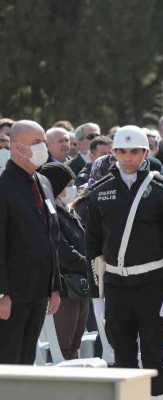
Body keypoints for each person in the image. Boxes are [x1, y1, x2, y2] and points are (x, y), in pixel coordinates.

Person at [86, 125, 163, 399]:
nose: (128, 157)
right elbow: (92, 248)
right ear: (114, 152)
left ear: (145, 152)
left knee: (154, 354)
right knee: (123, 356)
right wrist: (97, 296)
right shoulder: (99, 191)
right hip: (116, 285)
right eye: (121, 151)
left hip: (153, 284)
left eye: (134, 151)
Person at [0, 120, 62, 364]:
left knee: (27, 361)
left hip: (39, 291)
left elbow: (52, 236)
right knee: (7, 361)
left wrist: (54, 287)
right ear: (16, 147)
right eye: (36, 143)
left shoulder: (43, 182)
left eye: (44, 141)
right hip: (12, 294)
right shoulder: (3, 188)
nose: (43, 148)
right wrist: (1, 294)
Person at [40, 163, 91, 360]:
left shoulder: (66, 209)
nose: (73, 188)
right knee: (63, 346)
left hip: (79, 284)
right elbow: (60, 247)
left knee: (74, 345)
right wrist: (87, 264)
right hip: (64, 285)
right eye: (68, 184)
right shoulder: (49, 212)